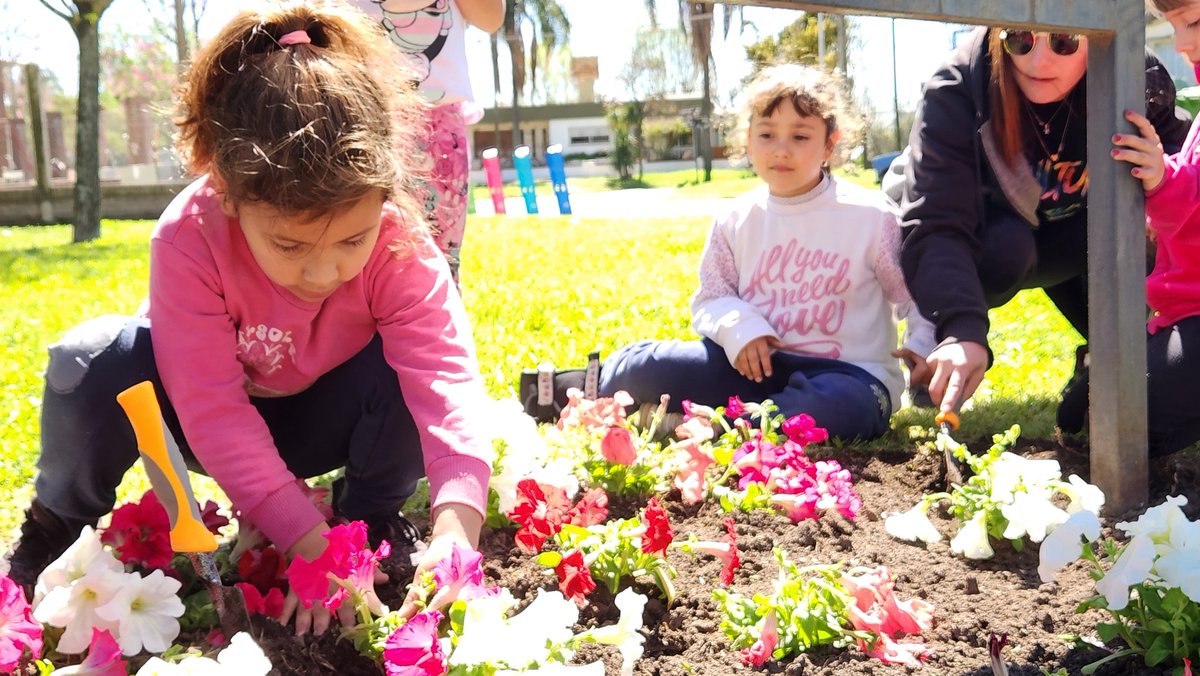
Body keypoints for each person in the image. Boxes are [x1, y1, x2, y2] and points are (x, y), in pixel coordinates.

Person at [7, 2, 492, 634]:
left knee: (403, 373)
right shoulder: (190, 238)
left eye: (353, 240)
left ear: (386, 196)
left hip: (324, 418)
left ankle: (369, 524)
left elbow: (445, 381)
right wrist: (308, 545)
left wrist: (457, 526)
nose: (323, 274)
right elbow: (214, 412)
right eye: (290, 246)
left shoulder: (400, 241)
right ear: (229, 196)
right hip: (209, 429)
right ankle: (53, 531)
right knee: (96, 359)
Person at [593, 64, 936, 441]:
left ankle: (709, 429)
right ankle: (584, 387)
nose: (781, 150)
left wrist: (922, 346)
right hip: (751, 371)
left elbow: (918, 296)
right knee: (645, 368)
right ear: (748, 141)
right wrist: (742, 329)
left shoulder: (871, 217)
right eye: (767, 135)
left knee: (836, 409)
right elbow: (713, 296)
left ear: (829, 145)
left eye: (800, 137)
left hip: (848, 377)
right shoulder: (735, 218)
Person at [895, 26, 1190, 429]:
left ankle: (1110, 352)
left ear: (1095, 35)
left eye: (1064, 41)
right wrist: (962, 328)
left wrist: (1160, 178)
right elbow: (936, 220)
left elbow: (1183, 177)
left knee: (1140, 222)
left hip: (1080, 232)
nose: (1039, 61)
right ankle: (935, 329)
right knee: (1008, 246)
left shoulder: (1137, 78)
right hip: (991, 239)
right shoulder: (958, 85)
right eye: (1020, 40)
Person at [1066, 0, 1200, 456]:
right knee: (1088, 409)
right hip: (1183, 312)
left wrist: (1167, 179)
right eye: (1173, 27)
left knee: (1136, 408)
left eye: (1195, 23)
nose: (1181, 44)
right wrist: (1164, 177)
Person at [348, 0, 506, 282]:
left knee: (439, 255)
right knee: (354, 248)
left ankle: (435, 322)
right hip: (354, 112)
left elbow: (491, 17)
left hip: (437, 119)